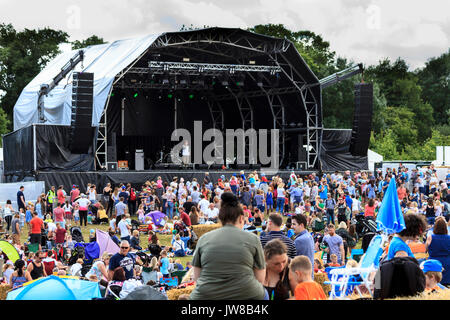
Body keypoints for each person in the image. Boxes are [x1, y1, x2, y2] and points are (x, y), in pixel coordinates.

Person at [190, 192, 267, 300]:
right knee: (265, 293)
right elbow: (260, 278)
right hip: (248, 293)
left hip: (206, 295)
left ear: (220, 219)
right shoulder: (253, 239)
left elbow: (197, 276)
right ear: (241, 219)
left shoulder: (204, 239)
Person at [426, 218, 450, 286]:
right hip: (447, 262)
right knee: (447, 284)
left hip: (433, 261)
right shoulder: (449, 238)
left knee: (434, 283)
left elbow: (426, 248)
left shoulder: (430, 237)